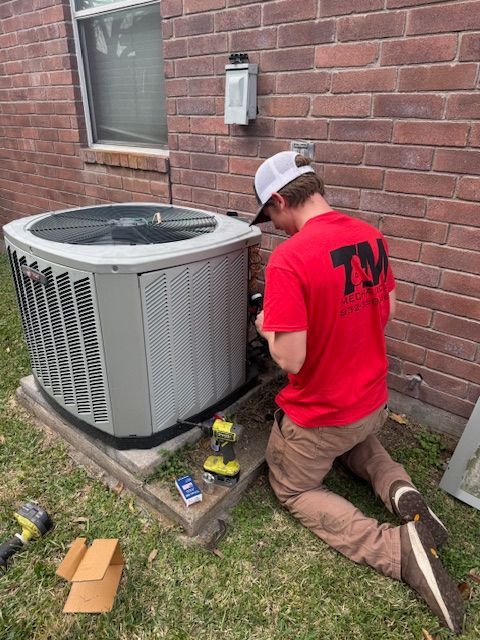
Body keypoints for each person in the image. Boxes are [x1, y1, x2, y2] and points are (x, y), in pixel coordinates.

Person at [250, 151, 464, 635]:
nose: (274, 227)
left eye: (270, 216)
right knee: (354, 442)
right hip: (372, 403)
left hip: (322, 415)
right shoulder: (370, 235)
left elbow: (292, 360)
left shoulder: (290, 258)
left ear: (282, 200)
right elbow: (383, 310)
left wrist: (268, 328)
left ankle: (398, 550)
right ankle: (399, 488)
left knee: (294, 485)